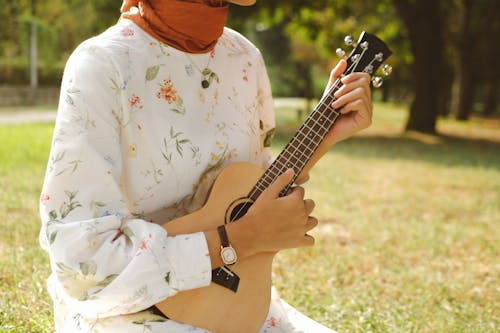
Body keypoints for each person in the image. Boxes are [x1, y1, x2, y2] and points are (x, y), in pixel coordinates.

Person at [39, 0, 373, 332]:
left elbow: (248, 190)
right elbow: (83, 268)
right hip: (124, 312)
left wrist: (325, 133)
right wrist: (240, 239)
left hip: (227, 304)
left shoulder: (244, 58)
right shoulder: (102, 64)